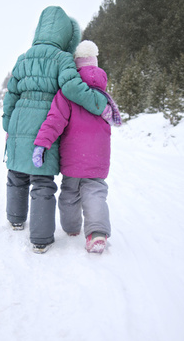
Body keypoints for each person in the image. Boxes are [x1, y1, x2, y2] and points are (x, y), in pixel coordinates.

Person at [2, 7, 112, 254]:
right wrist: (97, 103)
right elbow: (72, 88)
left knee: (16, 174)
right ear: (66, 35)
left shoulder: (24, 57)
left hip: (19, 120)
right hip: (45, 121)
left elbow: (12, 94)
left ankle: (15, 218)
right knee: (42, 181)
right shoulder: (62, 59)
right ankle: (40, 239)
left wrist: (8, 125)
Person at [32, 40, 121, 254]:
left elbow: (54, 121)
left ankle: (71, 228)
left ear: (76, 67)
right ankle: (97, 233)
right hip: (98, 158)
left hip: (73, 157)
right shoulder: (104, 96)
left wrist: (42, 144)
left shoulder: (66, 94)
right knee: (95, 193)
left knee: (70, 194)